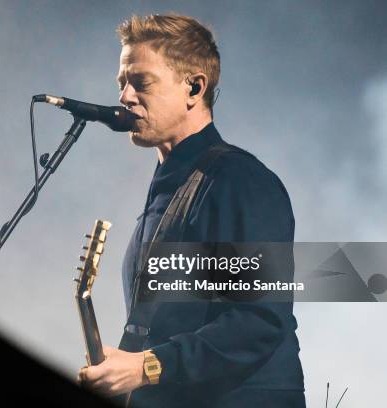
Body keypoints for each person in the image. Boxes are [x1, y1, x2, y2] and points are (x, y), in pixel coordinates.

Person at [78, 14, 305, 407]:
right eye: (122, 83)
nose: (125, 97)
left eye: (140, 82)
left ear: (194, 87)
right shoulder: (169, 189)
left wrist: (145, 367)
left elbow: (259, 321)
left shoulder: (239, 180)